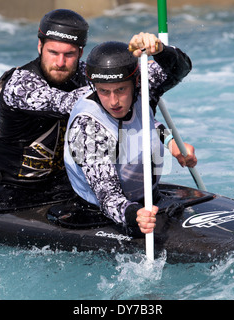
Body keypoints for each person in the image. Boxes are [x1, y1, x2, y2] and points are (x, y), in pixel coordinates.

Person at [64, 34, 197, 236]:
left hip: (151, 197)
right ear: (94, 87)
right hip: (99, 212)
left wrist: (160, 50)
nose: (113, 101)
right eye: (104, 91)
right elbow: (108, 196)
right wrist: (134, 215)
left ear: (135, 82)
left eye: (120, 89)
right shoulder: (87, 128)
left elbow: (182, 68)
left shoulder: (143, 83)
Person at [0, 9, 91, 197]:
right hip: (18, 189)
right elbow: (65, 102)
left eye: (69, 54)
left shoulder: (82, 72)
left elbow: (143, 81)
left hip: (69, 182)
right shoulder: (21, 85)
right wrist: (114, 84)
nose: (60, 62)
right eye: (53, 52)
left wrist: (157, 54)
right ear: (40, 46)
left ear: (80, 52)